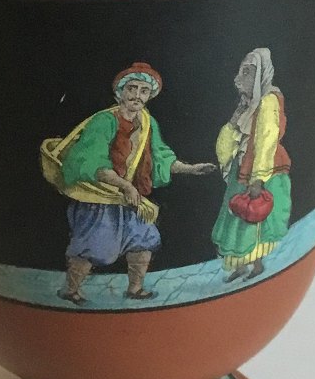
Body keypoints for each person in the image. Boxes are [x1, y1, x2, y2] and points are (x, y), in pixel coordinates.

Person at [43, 62, 214, 303]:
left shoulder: (147, 122)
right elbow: (93, 163)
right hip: (100, 197)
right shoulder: (104, 121)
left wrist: (191, 169)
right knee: (92, 244)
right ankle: (70, 290)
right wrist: (125, 186)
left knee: (144, 239)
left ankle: (135, 289)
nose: (137, 95)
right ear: (120, 92)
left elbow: (160, 157)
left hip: (131, 199)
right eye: (132, 88)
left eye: (144, 90)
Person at [212, 47, 292, 281]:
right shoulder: (247, 106)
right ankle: (240, 266)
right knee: (237, 218)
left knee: (254, 219)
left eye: (247, 73)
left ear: (260, 75)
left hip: (262, 172)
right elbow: (228, 138)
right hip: (242, 170)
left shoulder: (268, 101)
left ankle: (256, 266)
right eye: (241, 72)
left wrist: (258, 178)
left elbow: (267, 138)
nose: (239, 79)